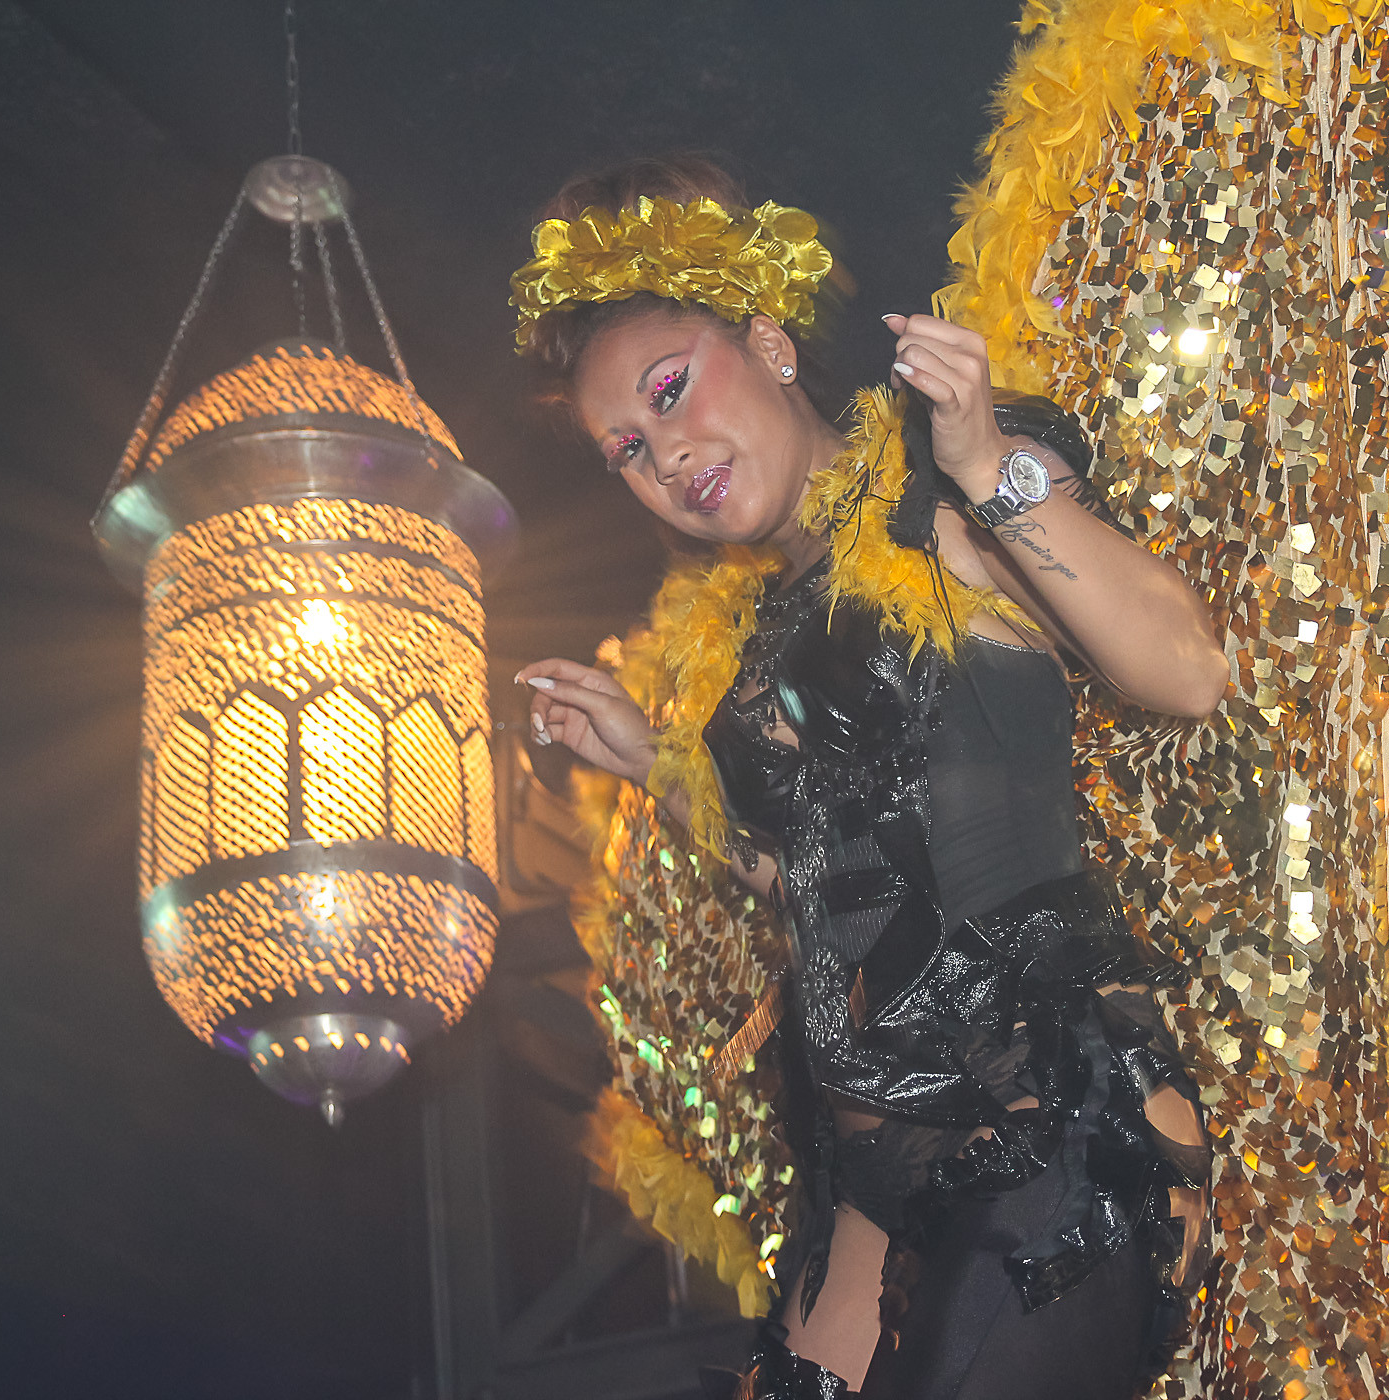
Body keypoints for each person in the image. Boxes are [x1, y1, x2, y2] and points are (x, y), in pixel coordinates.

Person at [513, 155, 1229, 1400]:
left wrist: (984, 457)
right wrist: (655, 768)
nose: (664, 454)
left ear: (769, 342)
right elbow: (806, 881)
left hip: (1045, 1114)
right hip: (864, 1179)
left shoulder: (942, 497)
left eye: (671, 390)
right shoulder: (744, 649)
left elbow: (1188, 669)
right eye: (627, 446)